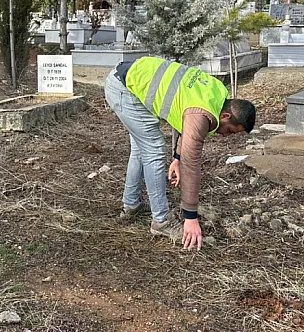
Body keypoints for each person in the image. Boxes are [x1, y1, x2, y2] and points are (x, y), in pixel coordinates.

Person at [104, 56, 256, 250]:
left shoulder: (217, 94)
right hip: (124, 88)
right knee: (154, 150)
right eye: (230, 131)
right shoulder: (201, 113)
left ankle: (131, 205)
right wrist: (190, 217)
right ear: (226, 116)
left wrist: (177, 158)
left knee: (141, 148)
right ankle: (161, 222)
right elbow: (191, 164)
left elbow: (183, 114)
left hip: (130, 77)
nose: (225, 136)